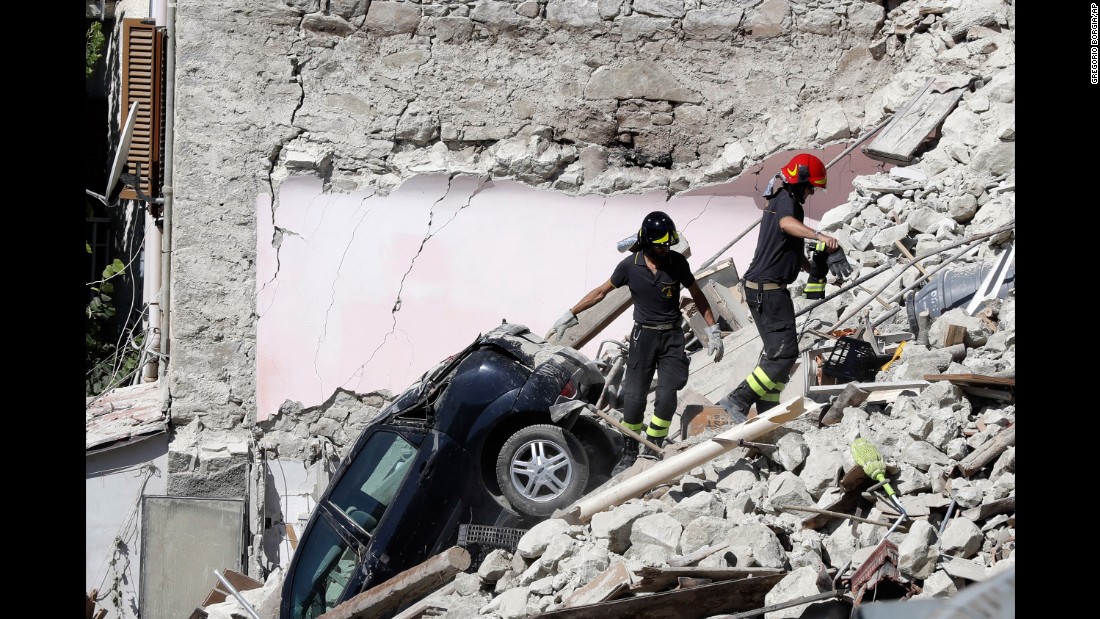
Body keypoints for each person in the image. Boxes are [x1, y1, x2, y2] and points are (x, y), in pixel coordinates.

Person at [546, 211, 723, 470]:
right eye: (659, 246)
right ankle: (630, 450)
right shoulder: (630, 266)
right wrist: (571, 314)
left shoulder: (677, 263)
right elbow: (600, 292)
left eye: (667, 245)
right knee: (634, 397)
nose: (664, 250)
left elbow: (697, 293)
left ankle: (653, 444)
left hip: (672, 337)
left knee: (666, 394)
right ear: (647, 243)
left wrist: (712, 329)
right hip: (644, 337)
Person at [718, 153, 852, 418]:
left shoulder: (782, 201)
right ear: (800, 181)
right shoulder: (786, 203)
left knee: (776, 354)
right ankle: (737, 400)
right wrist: (821, 235)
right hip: (767, 291)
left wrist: (813, 269)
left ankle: (768, 408)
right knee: (784, 354)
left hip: (763, 289)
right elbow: (787, 225)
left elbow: (790, 248)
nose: (811, 191)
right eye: (811, 186)